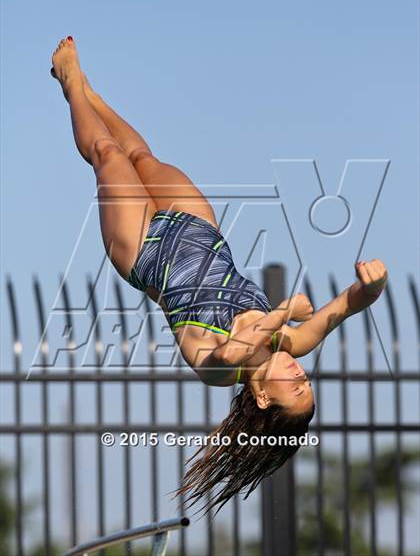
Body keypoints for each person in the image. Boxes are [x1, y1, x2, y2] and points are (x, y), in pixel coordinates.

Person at [51, 36, 388, 514]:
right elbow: (344, 308)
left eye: (295, 387)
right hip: (199, 229)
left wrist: (283, 313)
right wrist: (372, 286)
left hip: (144, 250)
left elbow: (232, 348)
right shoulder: (293, 344)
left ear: (265, 400)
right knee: (143, 157)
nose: (300, 374)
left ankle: (71, 86)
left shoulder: (221, 372)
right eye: (307, 382)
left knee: (108, 154)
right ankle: (93, 95)